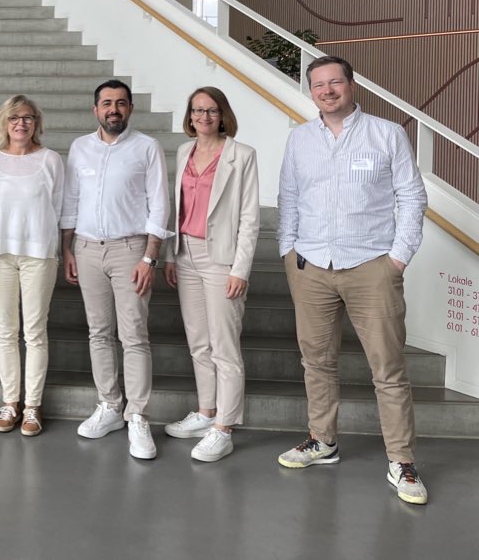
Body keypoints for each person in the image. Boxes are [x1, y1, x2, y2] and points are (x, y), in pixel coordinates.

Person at [277, 55, 429, 505]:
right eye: (319, 85)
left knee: (388, 369)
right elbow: (288, 198)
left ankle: (401, 461)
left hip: (372, 268)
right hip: (311, 267)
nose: (327, 91)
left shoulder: (388, 134)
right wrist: (290, 253)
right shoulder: (299, 140)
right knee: (317, 362)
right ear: (311, 92)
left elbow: (412, 195)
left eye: (335, 82)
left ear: (352, 85)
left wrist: (397, 259)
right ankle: (323, 441)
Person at [60, 79, 172, 459]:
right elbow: (71, 202)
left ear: (130, 109)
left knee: (134, 335)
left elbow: (159, 204)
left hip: (131, 251)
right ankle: (109, 406)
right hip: (88, 249)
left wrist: (150, 257)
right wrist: (68, 250)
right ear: (95, 110)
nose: (114, 110)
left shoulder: (146, 148)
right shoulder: (79, 148)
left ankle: (137, 415)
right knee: (99, 332)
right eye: (107, 103)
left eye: (121, 103)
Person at [162, 86, 260, 462]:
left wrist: (241, 268)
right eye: (197, 110)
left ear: (223, 115)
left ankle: (225, 428)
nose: (204, 117)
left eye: (212, 111)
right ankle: (206, 413)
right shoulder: (185, 151)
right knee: (198, 341)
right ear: (189, 116)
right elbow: (179, 207)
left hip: (222, 258)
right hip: (186, 252)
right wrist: (172, 255)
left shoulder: (242, 155)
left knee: (225, 346)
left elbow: (250, 218)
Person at [0, 95, 63, 437]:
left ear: (36, 123)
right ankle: (10, 402)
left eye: (28, 118)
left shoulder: (51, 160)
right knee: (5, 331)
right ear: (4, 123)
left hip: (39, 255)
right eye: (15, 118)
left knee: (34, 331)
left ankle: (32, 405)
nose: (21, 124)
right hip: (2, 254)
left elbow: (60, 208)